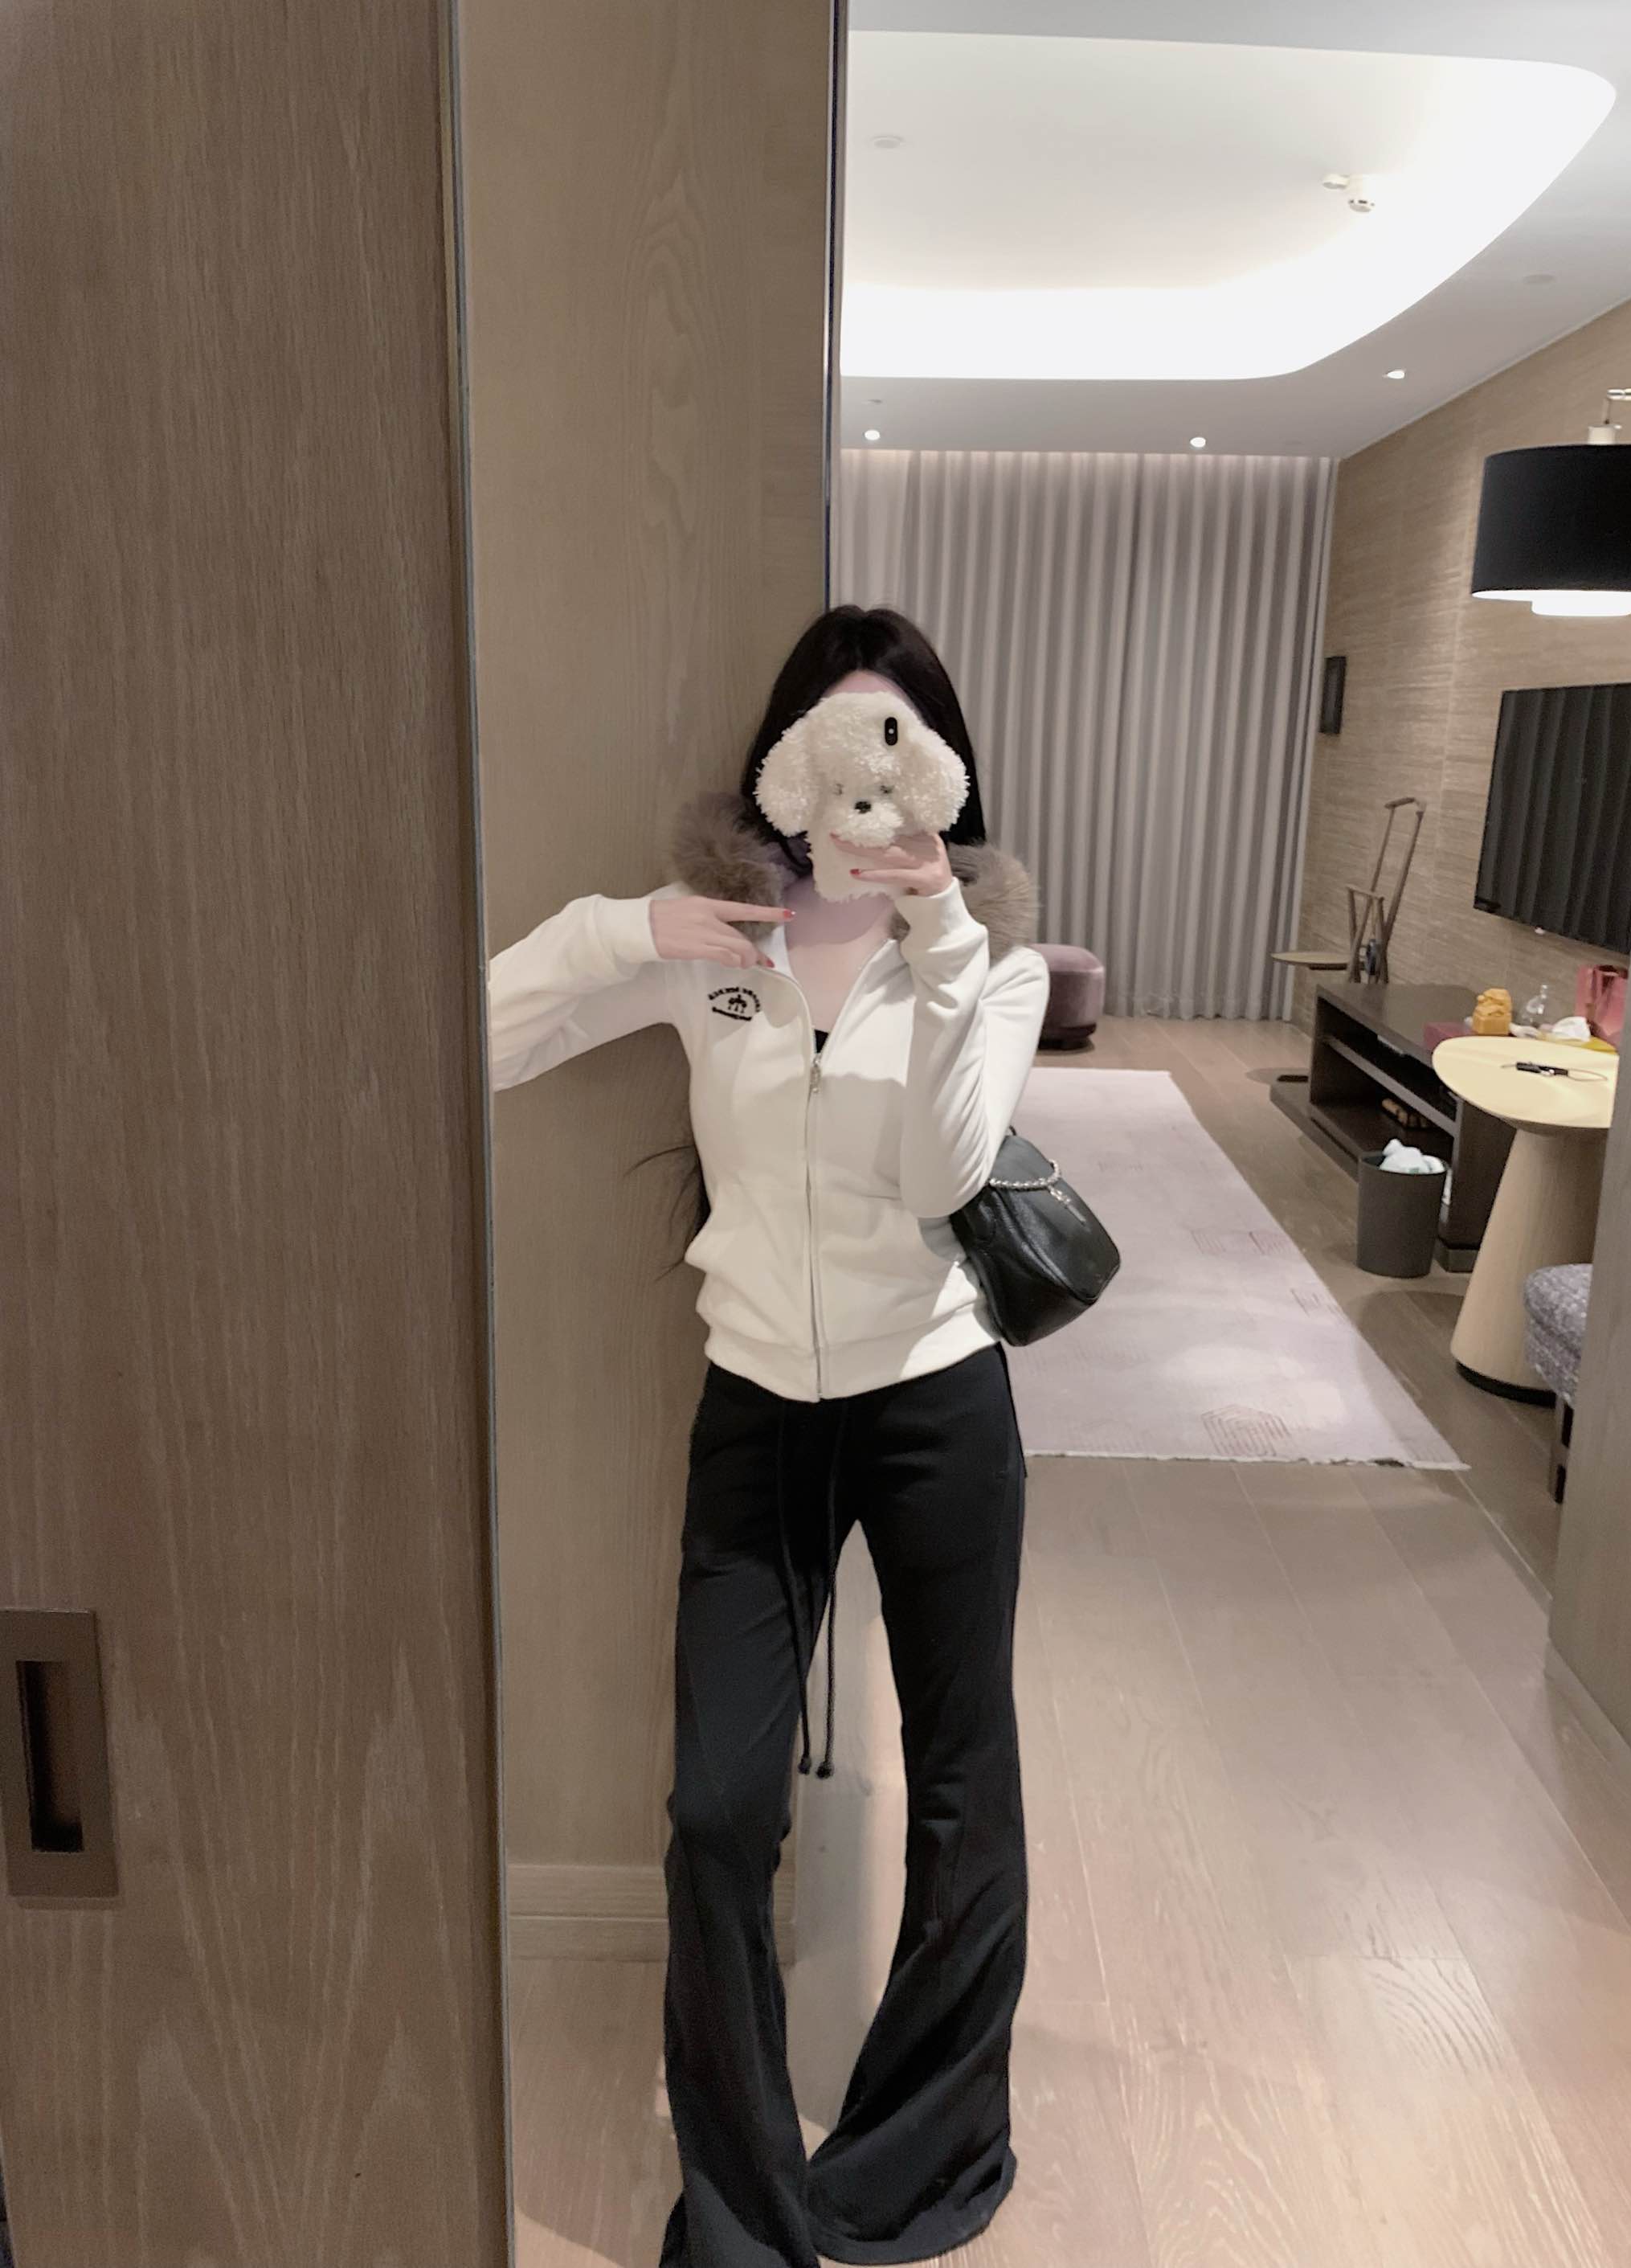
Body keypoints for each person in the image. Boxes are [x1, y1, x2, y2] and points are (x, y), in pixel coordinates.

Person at [488, 605, 1048, 2268]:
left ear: (940, 774)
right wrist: (624, 927)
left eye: (899, 743)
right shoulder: (710, 945)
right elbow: (473, 1036)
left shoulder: (994, 960)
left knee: (963, 1787)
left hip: (936, 1402)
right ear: (783, 763)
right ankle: (741, 2212)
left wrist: (941, 941)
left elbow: (945, 1173)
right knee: (719, 1810)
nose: (866, 781)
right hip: (756, 1408)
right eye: (835, 738)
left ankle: (911, 2167)